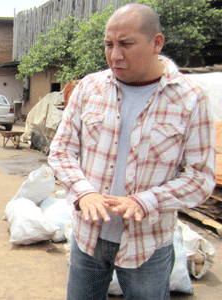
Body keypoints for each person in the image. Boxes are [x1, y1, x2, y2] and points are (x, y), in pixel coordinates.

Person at [48, 3, 216, 300]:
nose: (115, 55)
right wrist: (84, 192)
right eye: (109, 44)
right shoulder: (89, 89)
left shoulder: (191, 99)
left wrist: (146, 201)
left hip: (148, 243)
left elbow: (200, 178)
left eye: (126, 44)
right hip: (89, 238)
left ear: (157, 43)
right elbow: (61, 151)